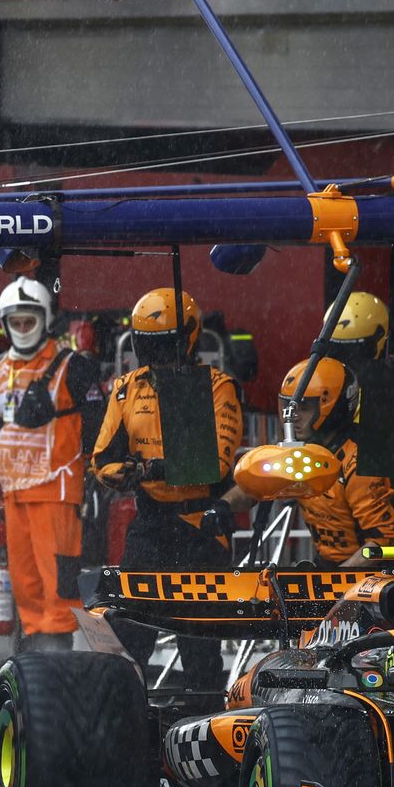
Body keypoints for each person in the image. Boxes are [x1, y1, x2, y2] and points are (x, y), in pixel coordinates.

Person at [90, 288, 243, 692]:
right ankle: (124, 710)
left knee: (199, 644)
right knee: (129, 631)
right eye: (148, 344)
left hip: (200, 528)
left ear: (186, 338)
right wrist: (120, 474)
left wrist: (149, 468)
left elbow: (216, 464)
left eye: (164, 344)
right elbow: (101, 458)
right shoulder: (126, 388)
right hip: (150, 525)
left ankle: (205, 714)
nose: (156, 354)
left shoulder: (218, 387)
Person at [0, 276, 100, 648]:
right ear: (5, 324)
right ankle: (35, 643)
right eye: (16, 322)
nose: (23, 329)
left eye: (29, 321)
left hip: (56, 488)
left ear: (45, 320)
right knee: (24, 581)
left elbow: (95, 420)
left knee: (57, 581)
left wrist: (95, 470)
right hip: (15, 490)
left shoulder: (71, 365)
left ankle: (57, 649)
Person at [258, 357, 394, 568]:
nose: (293, 417)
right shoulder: (298, 449)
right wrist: (222, 506)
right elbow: (252, 484)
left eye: (304, 407)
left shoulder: (358, 460)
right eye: (288, 407)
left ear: (334, 409)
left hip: (368, 574)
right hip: (326, 567)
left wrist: (337, 579)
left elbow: (382, 541)